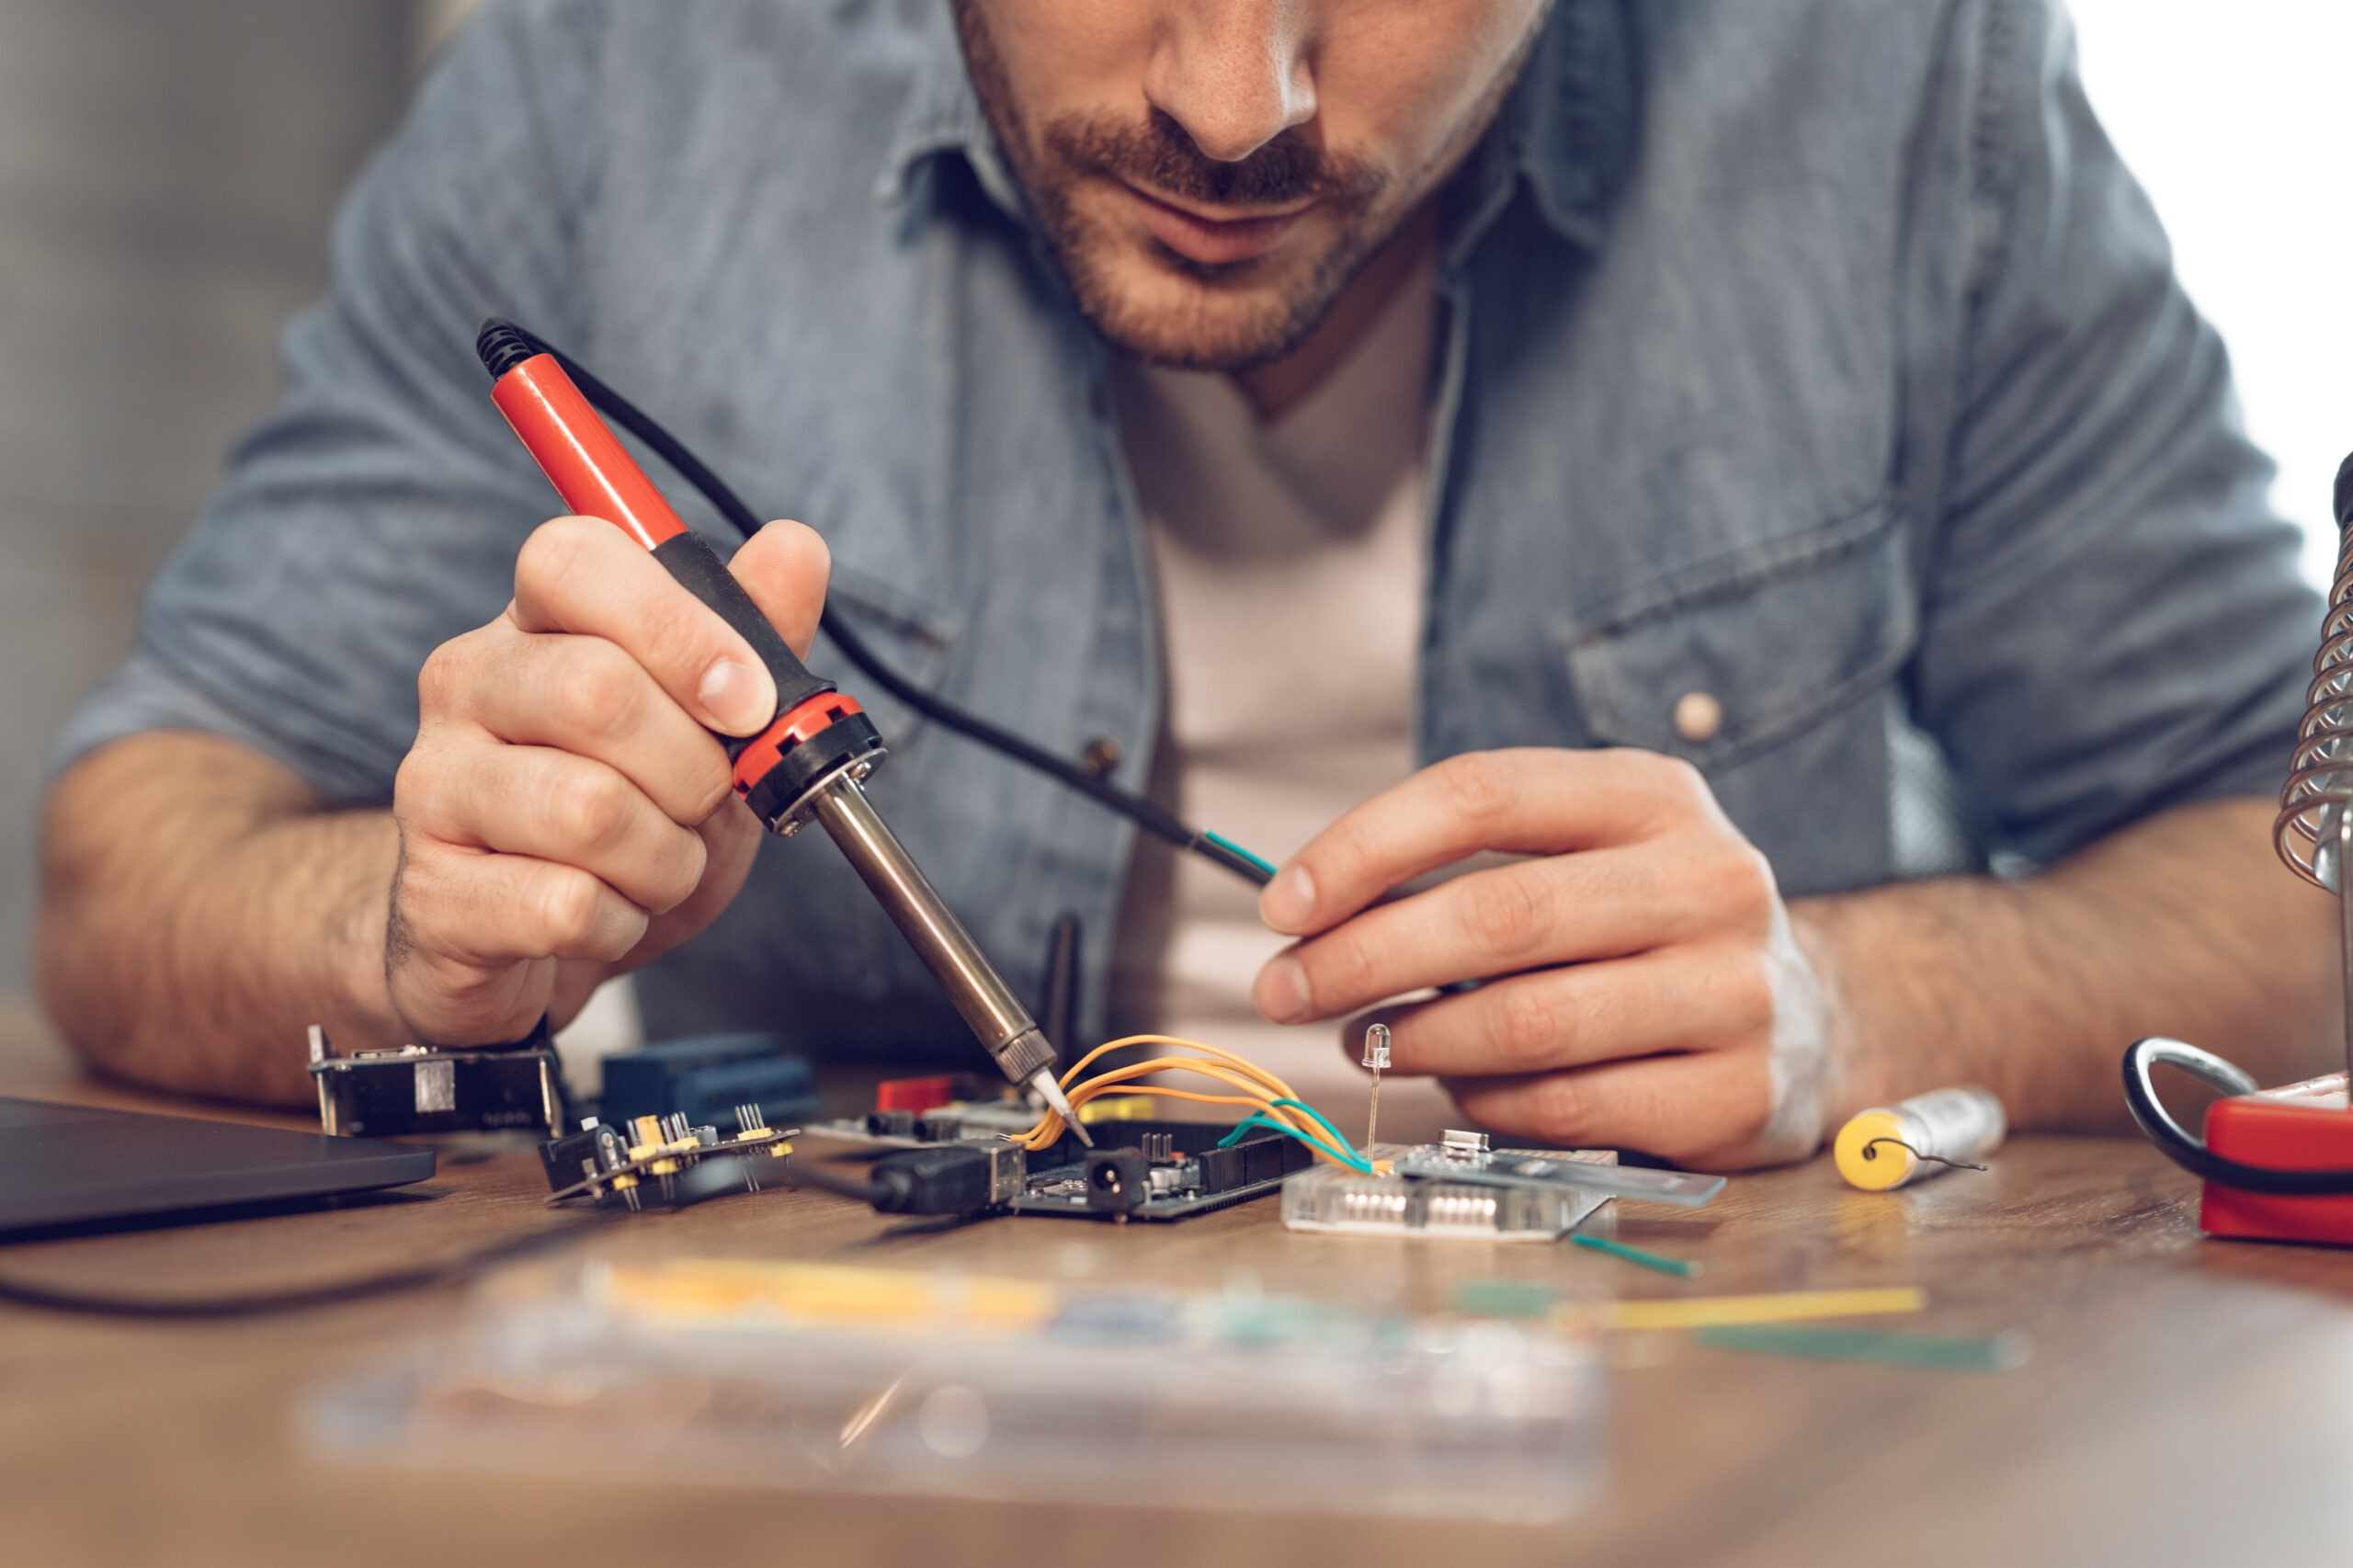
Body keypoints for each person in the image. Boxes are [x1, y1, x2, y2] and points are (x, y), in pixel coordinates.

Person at [37, 0, 2335, 1169]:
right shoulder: (617, 81)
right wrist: (413, 937)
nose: (1237, 104)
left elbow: (2301, 878)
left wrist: (1848, 1006)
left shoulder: (1889, 80)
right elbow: (127, 874)